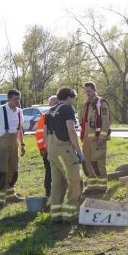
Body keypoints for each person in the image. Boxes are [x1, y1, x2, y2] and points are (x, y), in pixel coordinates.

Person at [47, 87, 84, 223]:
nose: (73, 101)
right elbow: (71, 131)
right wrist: (79, 152)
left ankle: (55, 216)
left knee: (57, 184)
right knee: (74, 182)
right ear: (69, 97)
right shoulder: (67, 109)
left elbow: (46, 133)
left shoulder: (50, 111)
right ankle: (69, 215)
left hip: (52, 151)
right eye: (73, 98)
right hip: (65, 151)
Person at [80, 82, 111, 196]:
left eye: (89, 91)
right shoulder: (86, 104)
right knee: (87, 163)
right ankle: (91, 186)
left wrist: (102, 138)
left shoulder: (101, 103)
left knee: (97, 163)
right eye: (86, 91)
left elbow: (106, 121)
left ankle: (102, 187)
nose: (87, 93)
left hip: (97, 139)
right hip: (87, 139)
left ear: (94, 90)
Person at [35, 95, 59, 201]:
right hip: (48, 149)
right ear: (49, 104)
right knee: (49, 171)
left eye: (57, 102)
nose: (56, 104)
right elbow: (39, 134)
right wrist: (42, 148)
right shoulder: (45, 116)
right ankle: (48, 193)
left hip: (59, 148)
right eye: (54, 103)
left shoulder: (61, 114)